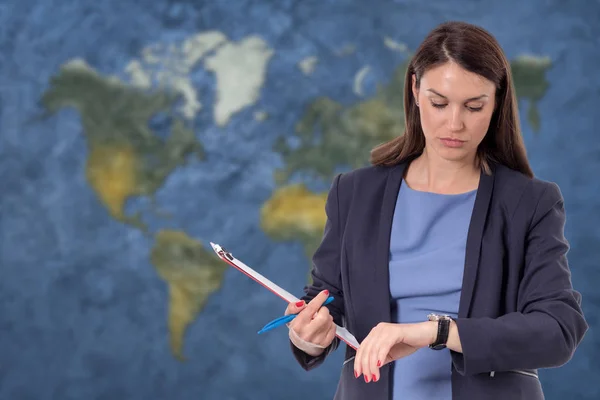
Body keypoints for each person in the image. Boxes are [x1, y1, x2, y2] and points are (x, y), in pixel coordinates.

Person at [284, 21, 588, 400]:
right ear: (414, 90)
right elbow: (328, 302)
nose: (454, 123)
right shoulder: (355, 193)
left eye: (474, 106)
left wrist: (438, 332)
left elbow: (558, 330)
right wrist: (308, 335)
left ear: (497, 102)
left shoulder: (530, 202)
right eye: (439, 103)